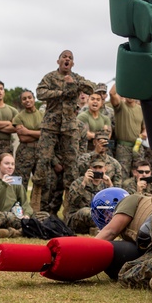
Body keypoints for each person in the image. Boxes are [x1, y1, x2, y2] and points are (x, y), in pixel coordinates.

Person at [34, 51, 95, 215]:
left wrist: (74, 82)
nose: (67, 59)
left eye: (70, 58)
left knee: (72, 167)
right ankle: (37, 210)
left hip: (69, 127)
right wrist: (61, 92)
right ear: (58, 61)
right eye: (64, 57)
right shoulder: (50, 77)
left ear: (72, 64)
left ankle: (70, 212)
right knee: (42, 162)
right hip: (50, 125)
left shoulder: (76, 77)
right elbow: (40, 93)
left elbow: (91, 87)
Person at [65, 158, 115, 234]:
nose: (97, 170)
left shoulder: (106, 184)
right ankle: (105, 228)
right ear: (90, 169)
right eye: (95, 168)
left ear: (105, 169)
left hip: (98, 217)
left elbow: (114, 204)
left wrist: (110, 185)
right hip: (77, 218)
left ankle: (97, 229)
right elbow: (72, 201)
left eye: (100, 168)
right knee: (87, 212)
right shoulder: (79, 182)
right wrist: (84, 183)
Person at [0, 152, 28, 231]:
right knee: (5, 216)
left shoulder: (16, 182)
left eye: (12, 164)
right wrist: (4, 185)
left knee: (43, 215)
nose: (10, 167)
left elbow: (25, 203)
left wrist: (26, 215)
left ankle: (17, 228)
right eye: (7, 164)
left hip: (14, 216)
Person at [110, 84, 145, 175]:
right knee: (122, 174)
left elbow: (145, 128)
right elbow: (112, 93)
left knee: (139, 174)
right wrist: (121, 78)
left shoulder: (141, 109)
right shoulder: (120, 106)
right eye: (128, 92)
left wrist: (144, 133)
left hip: (138, 146)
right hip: (123, 147)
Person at [12, 90, 43, 191]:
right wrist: (38, 134)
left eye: (30, 97)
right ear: (21, 102)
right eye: (24, 99)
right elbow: (22, 138)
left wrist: (27, 131)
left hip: (40, 151)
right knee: (19, 182)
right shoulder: (18, 117)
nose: (27, 100)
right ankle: (17, 205)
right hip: (24, 153)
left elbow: (46, 135)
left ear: (34, 99)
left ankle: (36, 206)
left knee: (41, 182)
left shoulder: (43, 115)